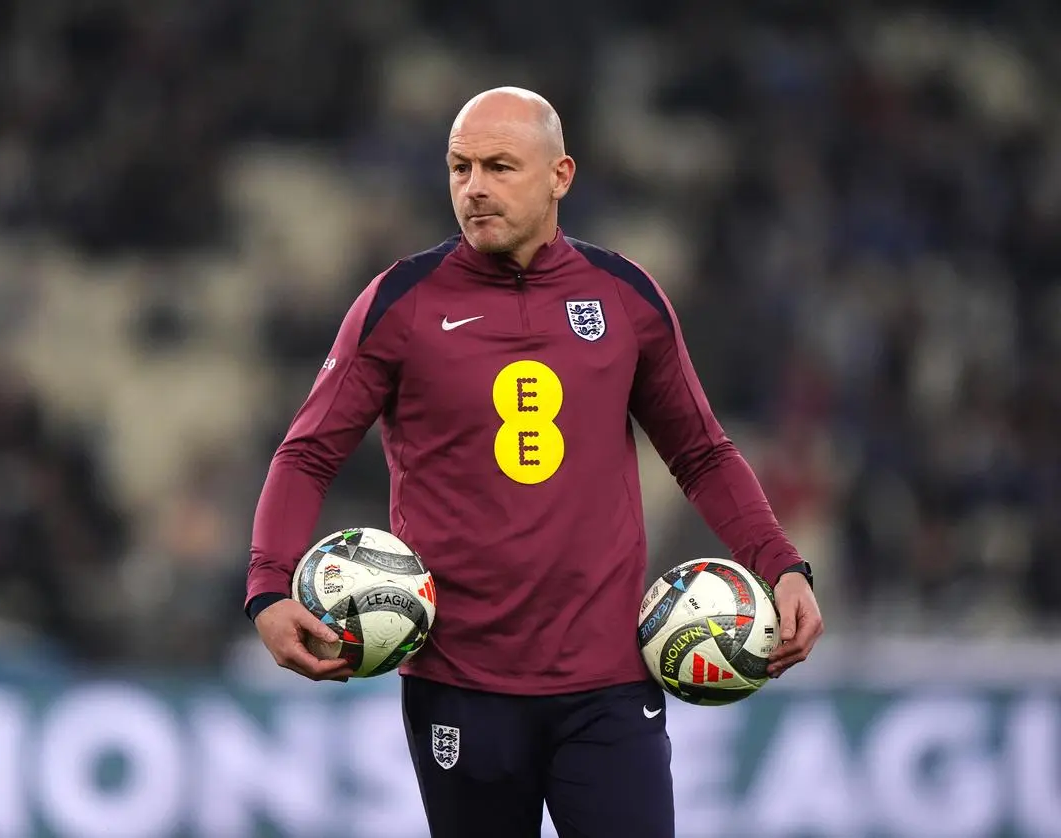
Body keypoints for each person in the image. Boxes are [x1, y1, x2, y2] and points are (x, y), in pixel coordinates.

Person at [245, 87, 824, 838]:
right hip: (460, 682)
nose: (474, 187)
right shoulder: (401, 303)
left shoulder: (624, 297)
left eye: (498, 166)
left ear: (560, 175)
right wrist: (266, 587)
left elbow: (702, 452)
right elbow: (308, 451)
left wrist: (781, 565)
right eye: (459, 168)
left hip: (610, 682)